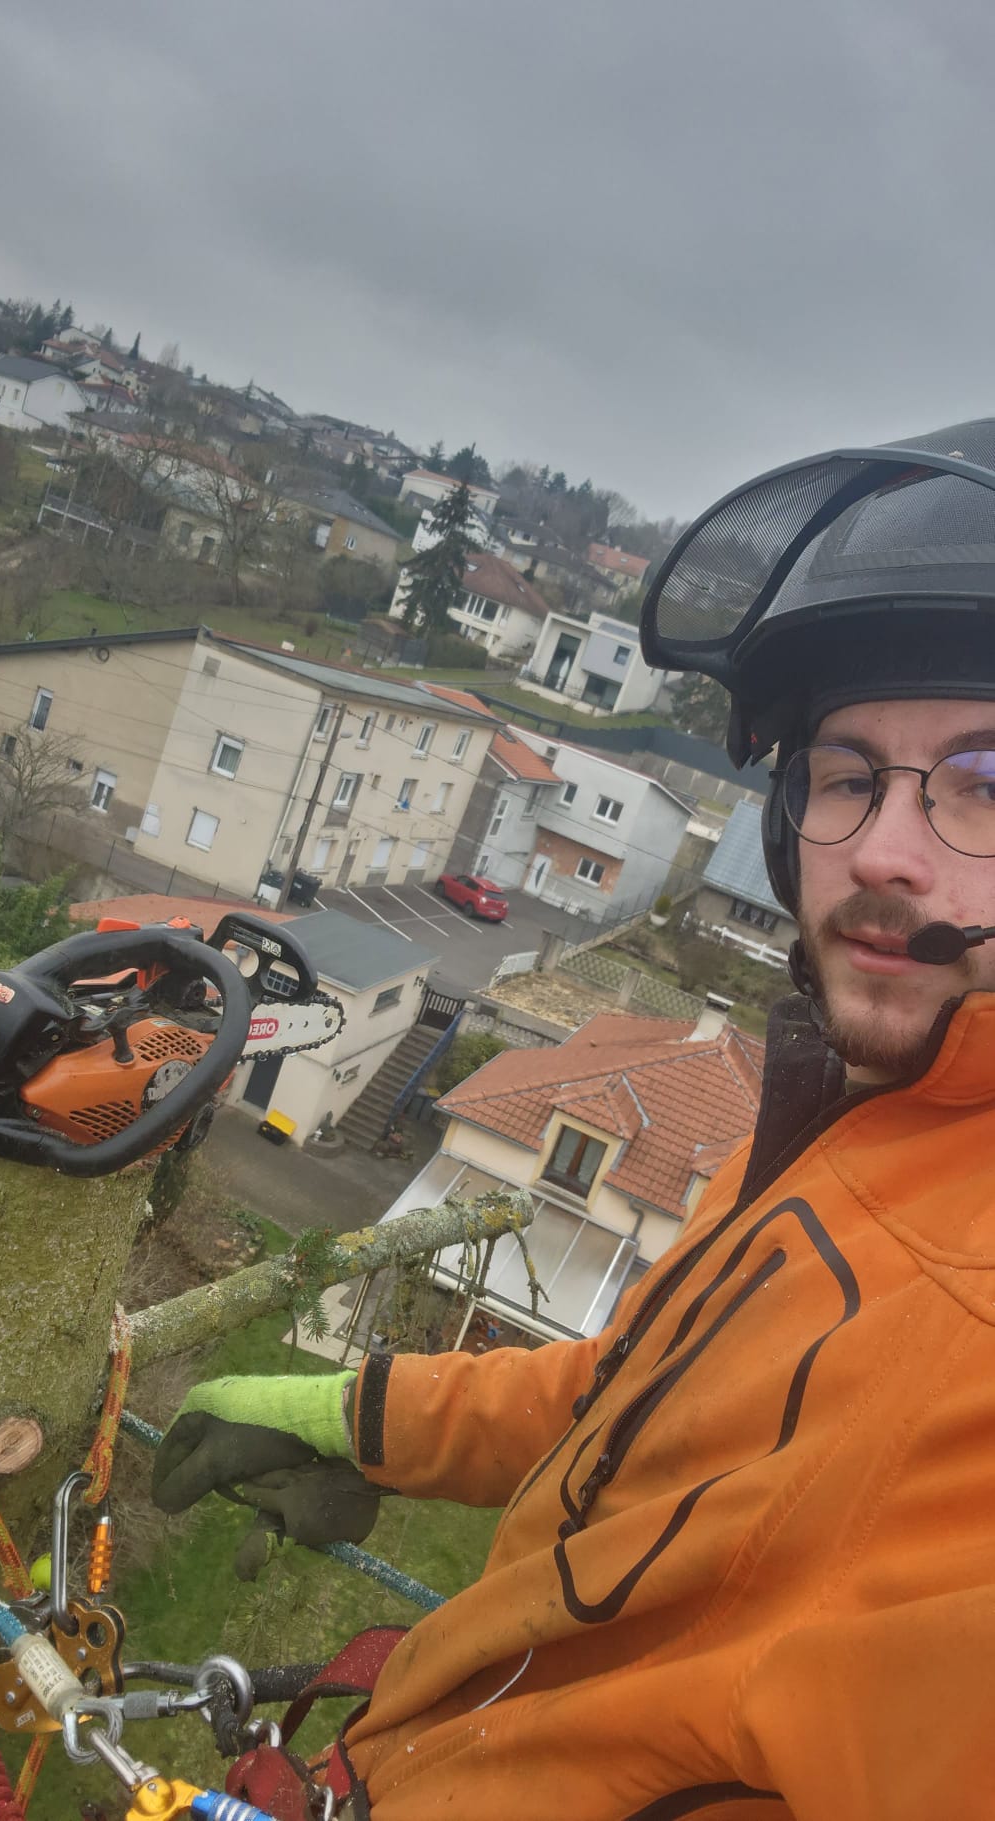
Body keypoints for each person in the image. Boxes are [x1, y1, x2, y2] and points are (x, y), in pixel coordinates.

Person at [152, 419, 995, 1819]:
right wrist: (359, 1415)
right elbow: (636, 1400)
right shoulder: (834, 1135)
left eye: (987, 783)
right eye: (849, 777)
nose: (885, 853)